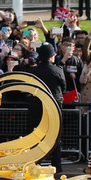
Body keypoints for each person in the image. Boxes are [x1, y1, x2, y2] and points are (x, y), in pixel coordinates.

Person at [28, 43, 65, 173]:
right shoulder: (57, 70)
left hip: (36, 106)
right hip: (54, 106)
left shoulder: (33, 71)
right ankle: (57, 165)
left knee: (37, 136)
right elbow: (63, 87)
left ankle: (37, 162)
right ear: (51, 57)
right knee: (55, 136)